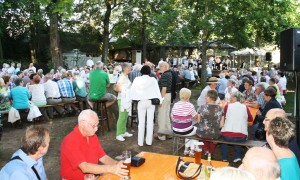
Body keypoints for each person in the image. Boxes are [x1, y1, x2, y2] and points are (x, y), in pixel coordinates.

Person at [60, 110, 128, 180]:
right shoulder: (70, 141)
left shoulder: (93, 136)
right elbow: (85, 167)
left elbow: (103, 157)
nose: (96, 129)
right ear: (83, 124)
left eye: (97, 125)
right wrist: (110, 168)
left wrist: (117, 164)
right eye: (93, 126)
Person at [130, 65, 162, 146]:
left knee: (141, 123)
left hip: (141, 102)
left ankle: (140, 142)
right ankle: (149, 141)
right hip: (151, 102)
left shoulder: (137, 79)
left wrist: (131, 99)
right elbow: (157, 91)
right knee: (150, 122)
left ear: (141, 72)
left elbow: (132, 90)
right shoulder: (153, 80)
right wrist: (160, 100)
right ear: (149, 72)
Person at [221, 91, 253, 162]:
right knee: (238, 135)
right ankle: (237, 156)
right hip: (241, 136)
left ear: (235, 98)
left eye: (231, 97)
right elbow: (251, 119)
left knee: (224, 140)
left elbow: (225, 116)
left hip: (227, 135)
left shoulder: (227, 106)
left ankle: (224, 157)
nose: (230, 99)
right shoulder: (245, 107)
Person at [171, 88, 198, 157]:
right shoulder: (190, 105)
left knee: (188, 129)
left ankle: (186, 150)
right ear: (188, 96)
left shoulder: (175, 105)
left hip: (175, 129)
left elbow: (172, 117)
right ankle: (192, 151)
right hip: (186, 130)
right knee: (196, 131)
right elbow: (195, 117)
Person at [197, 89, 224, 155]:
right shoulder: (220, 109)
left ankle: (206, 150)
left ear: (210, 98)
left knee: (203, 134)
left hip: (202, 133)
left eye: (206, 96)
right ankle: (210, 152)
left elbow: (198, 121)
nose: (205, 97)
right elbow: (221, 125)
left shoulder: (202, 107)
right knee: (213, 135)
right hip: (214, 134)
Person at [114, 63, 133, 142]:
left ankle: (123, 131)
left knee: (125, 116)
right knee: (122, 116)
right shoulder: (121, 77)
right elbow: (117, 88)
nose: (130, 69)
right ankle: (118, 134)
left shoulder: (126, 76)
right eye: (129, 68)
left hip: (127, 99)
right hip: (122, 99)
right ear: (125, 69)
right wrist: (126, 91)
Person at [157, 62, 173, 140]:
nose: (159, 67)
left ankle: (162, 135)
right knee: (166, 115)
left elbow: (164, 88)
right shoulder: (170, 74)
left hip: (164, 95)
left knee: (162, 116)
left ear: (165, 67)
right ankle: (169, 133)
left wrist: (161, 99)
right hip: (168, 95)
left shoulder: (165, 75)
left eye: (161, 66)